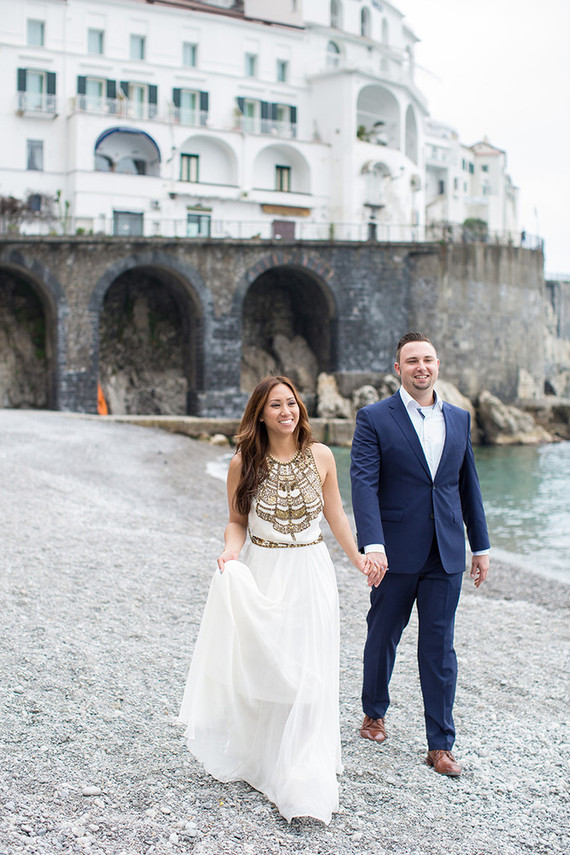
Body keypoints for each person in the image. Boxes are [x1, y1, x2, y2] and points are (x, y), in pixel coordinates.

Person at [178, 375, 381, 824]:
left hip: (311, 571)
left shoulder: (322, 456)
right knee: (271, 663)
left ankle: (302, 769)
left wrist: (359, 558)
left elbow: (336, 517)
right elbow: (235, 520)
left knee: (310, 669)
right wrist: (231, 552)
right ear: (261, 413)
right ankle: (267, 757)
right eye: (276, 405)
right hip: (263, 567)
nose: (286, 411)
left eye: (292, 403)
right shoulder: (241, 464)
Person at [350, 332, 490, 777]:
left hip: (445, 554)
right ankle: (374, 713)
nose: (421, 367)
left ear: (437, 364)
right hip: (392, 552)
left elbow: (467, 485)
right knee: (383, 634)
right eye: (412, 361)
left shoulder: (460, 418)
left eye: (427, 359)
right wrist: (372, 544)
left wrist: (480, 546)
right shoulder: (374, 418)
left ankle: (440, 745)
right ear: (398, 369)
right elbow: (363, 484)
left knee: (439, 648)